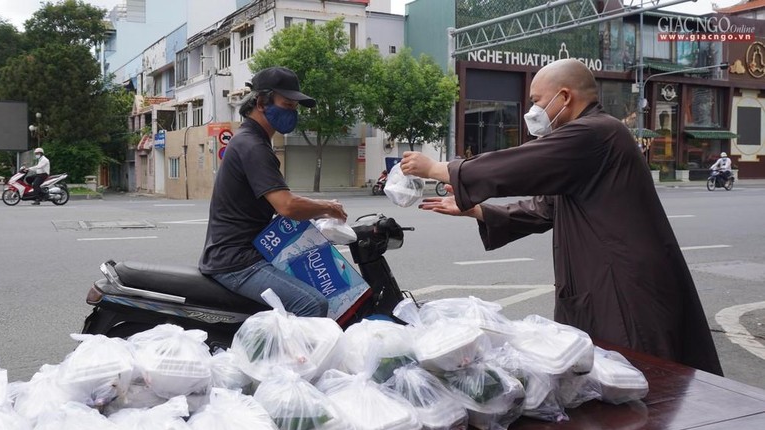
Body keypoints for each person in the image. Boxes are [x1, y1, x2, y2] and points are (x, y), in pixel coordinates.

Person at [399, 58, 723, 375]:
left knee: (637, 374)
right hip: (602, 281)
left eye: (537, 101)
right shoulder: (586, 143)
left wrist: (438, 169)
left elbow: (521, 164)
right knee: (605, 374)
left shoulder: (597, 133)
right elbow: (545, 209)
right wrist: (478, 210)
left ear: (565, 97)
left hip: (623, 287)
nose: (532, 112)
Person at [199, 66, 347, 317]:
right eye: (287, 104)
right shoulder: (252, 145)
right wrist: (327, 207)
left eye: (294, 107)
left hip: (244, 253)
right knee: (313, 304)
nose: (292, 112)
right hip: (237, 262)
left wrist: (314, 212)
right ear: (261, 102)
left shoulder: (251, 140)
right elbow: (286, 205)